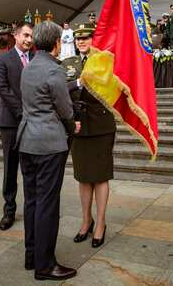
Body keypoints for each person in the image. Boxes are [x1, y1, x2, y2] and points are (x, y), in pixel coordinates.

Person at [17, 21, 78, 281]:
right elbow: (65, 109)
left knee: (32, 200)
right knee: (47, 204)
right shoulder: (55, 71)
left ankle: (32, 255)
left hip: (26, 140)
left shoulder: (29, 67)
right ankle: (45, 265)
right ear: (56, 44)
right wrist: (71, 126)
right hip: (48, 143)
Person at [62, 23, 116, 248]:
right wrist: (77, 82)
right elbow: (59, 87)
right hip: (79, 125)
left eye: (86, 37)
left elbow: (117, 85)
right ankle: (86, 220)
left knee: (101, 176)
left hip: (102, 124)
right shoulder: (68, 64)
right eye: (78, 39)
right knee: (83, 177)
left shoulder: (105, 60)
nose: (82, 41)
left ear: (95, 38)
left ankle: (101, 222)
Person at [0, 21, 33, 231]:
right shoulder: (3, 59)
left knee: (30, 168)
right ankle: (9, 210)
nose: (29, 40)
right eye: (25, 35)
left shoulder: (36, 58)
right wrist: (22, 112)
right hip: (11, 123)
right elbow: (3, 88)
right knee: (10, 169)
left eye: (31, 36)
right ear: (16, 36)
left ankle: (31, 209)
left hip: (32, 124)